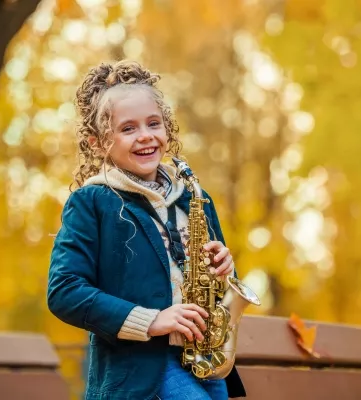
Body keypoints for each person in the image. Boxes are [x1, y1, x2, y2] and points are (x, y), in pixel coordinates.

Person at [47, 60, 246, 400]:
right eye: (128, 129)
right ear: (97, 143)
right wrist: (151, 321)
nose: (145, 136)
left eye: (154, 123)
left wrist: (224, 271)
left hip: (205, 358)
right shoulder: (92, 201)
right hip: (141, 373)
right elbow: (64, 291)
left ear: (167, 128)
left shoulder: (195, 198)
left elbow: (220, 293)